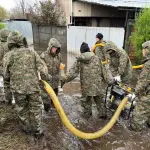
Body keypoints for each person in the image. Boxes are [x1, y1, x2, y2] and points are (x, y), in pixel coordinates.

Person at [3, 30, 48, 137]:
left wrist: (8, 94)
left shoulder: (8, 56)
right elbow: (43, 69)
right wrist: (46, 79)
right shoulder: (32, 52)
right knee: (36, 109)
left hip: (19, 91)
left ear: (10, 43)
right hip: (33, 88)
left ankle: (27, 131)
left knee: (22, 109)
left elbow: (6, 75)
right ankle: (38, 131)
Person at [61, 42, 113, 119]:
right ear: (89, 50)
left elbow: (73, 73)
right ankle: (103, 119)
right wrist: (110, 81)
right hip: (98, 87)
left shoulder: (79, 60)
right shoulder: (97, 58)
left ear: (81, 51)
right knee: (100, 103)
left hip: (86, 88)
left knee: (86, 105)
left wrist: (64, 79)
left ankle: (87, 119)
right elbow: (104, 72)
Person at [129, 41, 150, 132]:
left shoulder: (148, 65)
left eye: (143, 49)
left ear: (148, 50)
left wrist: (134, 93)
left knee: (136, 123)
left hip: (147, 97)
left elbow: (143, 82)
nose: (142, 51)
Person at [40, 38, 62, 112]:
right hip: (47, 82)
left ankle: (54, 109)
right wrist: (47, 76)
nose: (54, 49)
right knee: (46, 100)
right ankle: (46, 111)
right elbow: (41, 69)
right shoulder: (43, 56)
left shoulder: (59, 56)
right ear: (50, 46)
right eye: (53, 48)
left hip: (55, 82)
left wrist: (61, 76)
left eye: (56, 48)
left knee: (55, 99)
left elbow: (60, 67)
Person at [0, 28, 11, 103]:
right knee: (7, 83)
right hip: (7, 68)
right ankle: (8, 99)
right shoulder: (10, 46)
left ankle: (1, 97)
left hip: (1, 67)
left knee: (2, 83)